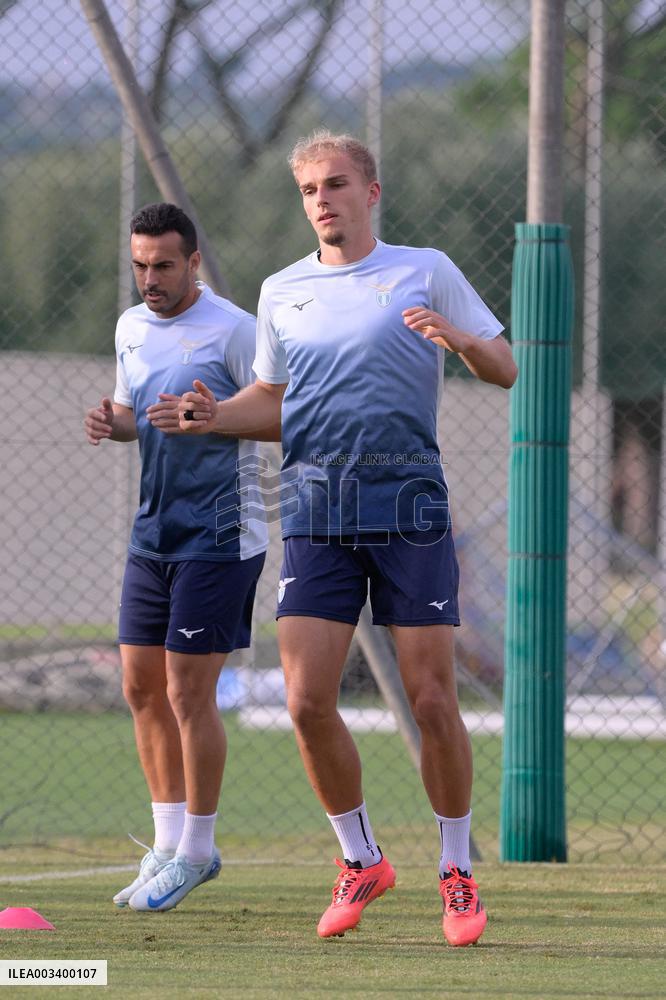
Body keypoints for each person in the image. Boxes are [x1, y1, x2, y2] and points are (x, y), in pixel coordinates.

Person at [176, 131, 517, 945]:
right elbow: (274, 400)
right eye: (308, 189)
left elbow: (504, 368)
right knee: (304, 701)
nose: (321, 200)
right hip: (317, 513)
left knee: (431, 698)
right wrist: (216, 415)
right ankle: (361, 859)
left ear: (371, 192)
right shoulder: (283, 290)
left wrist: (459, 339)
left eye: (335, 184)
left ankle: (457, 871)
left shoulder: (424, 269)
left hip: (410, 509)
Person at [84, 202, 275, 912]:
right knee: (141, 687)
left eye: (163, 265)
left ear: (193, 261)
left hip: (220, 536)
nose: (150, 279)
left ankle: (198, 850)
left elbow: (282, 412)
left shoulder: (235, 330)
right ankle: (166, 845)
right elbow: (138, 415)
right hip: (153, 534)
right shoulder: (130, 327)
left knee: (188, 694)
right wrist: (113, 421)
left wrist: (212, 417)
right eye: (140, 265)